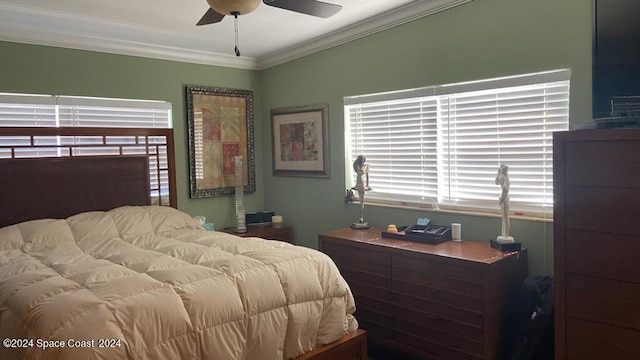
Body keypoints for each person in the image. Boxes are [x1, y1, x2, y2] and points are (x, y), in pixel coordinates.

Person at [351, 155, 371, 228]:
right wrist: (356, 185)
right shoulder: (358, 167)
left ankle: (361, 217)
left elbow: (367, 176)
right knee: (360, 200)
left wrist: (367, 185)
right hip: (359, 183)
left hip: (362, 183)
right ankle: (361, 218)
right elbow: (357, 177)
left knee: (362, 201)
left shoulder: (365, 166)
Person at [495, 164, 513, 241]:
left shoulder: (504, 178)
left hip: (504, 197)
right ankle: (504, 234)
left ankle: (505, 234)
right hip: (505, 197)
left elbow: (504, 190)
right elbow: (497, 182)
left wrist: (501, 199)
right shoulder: (506, 178)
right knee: (505, 217)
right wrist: (498, 173)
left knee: (505, 217)